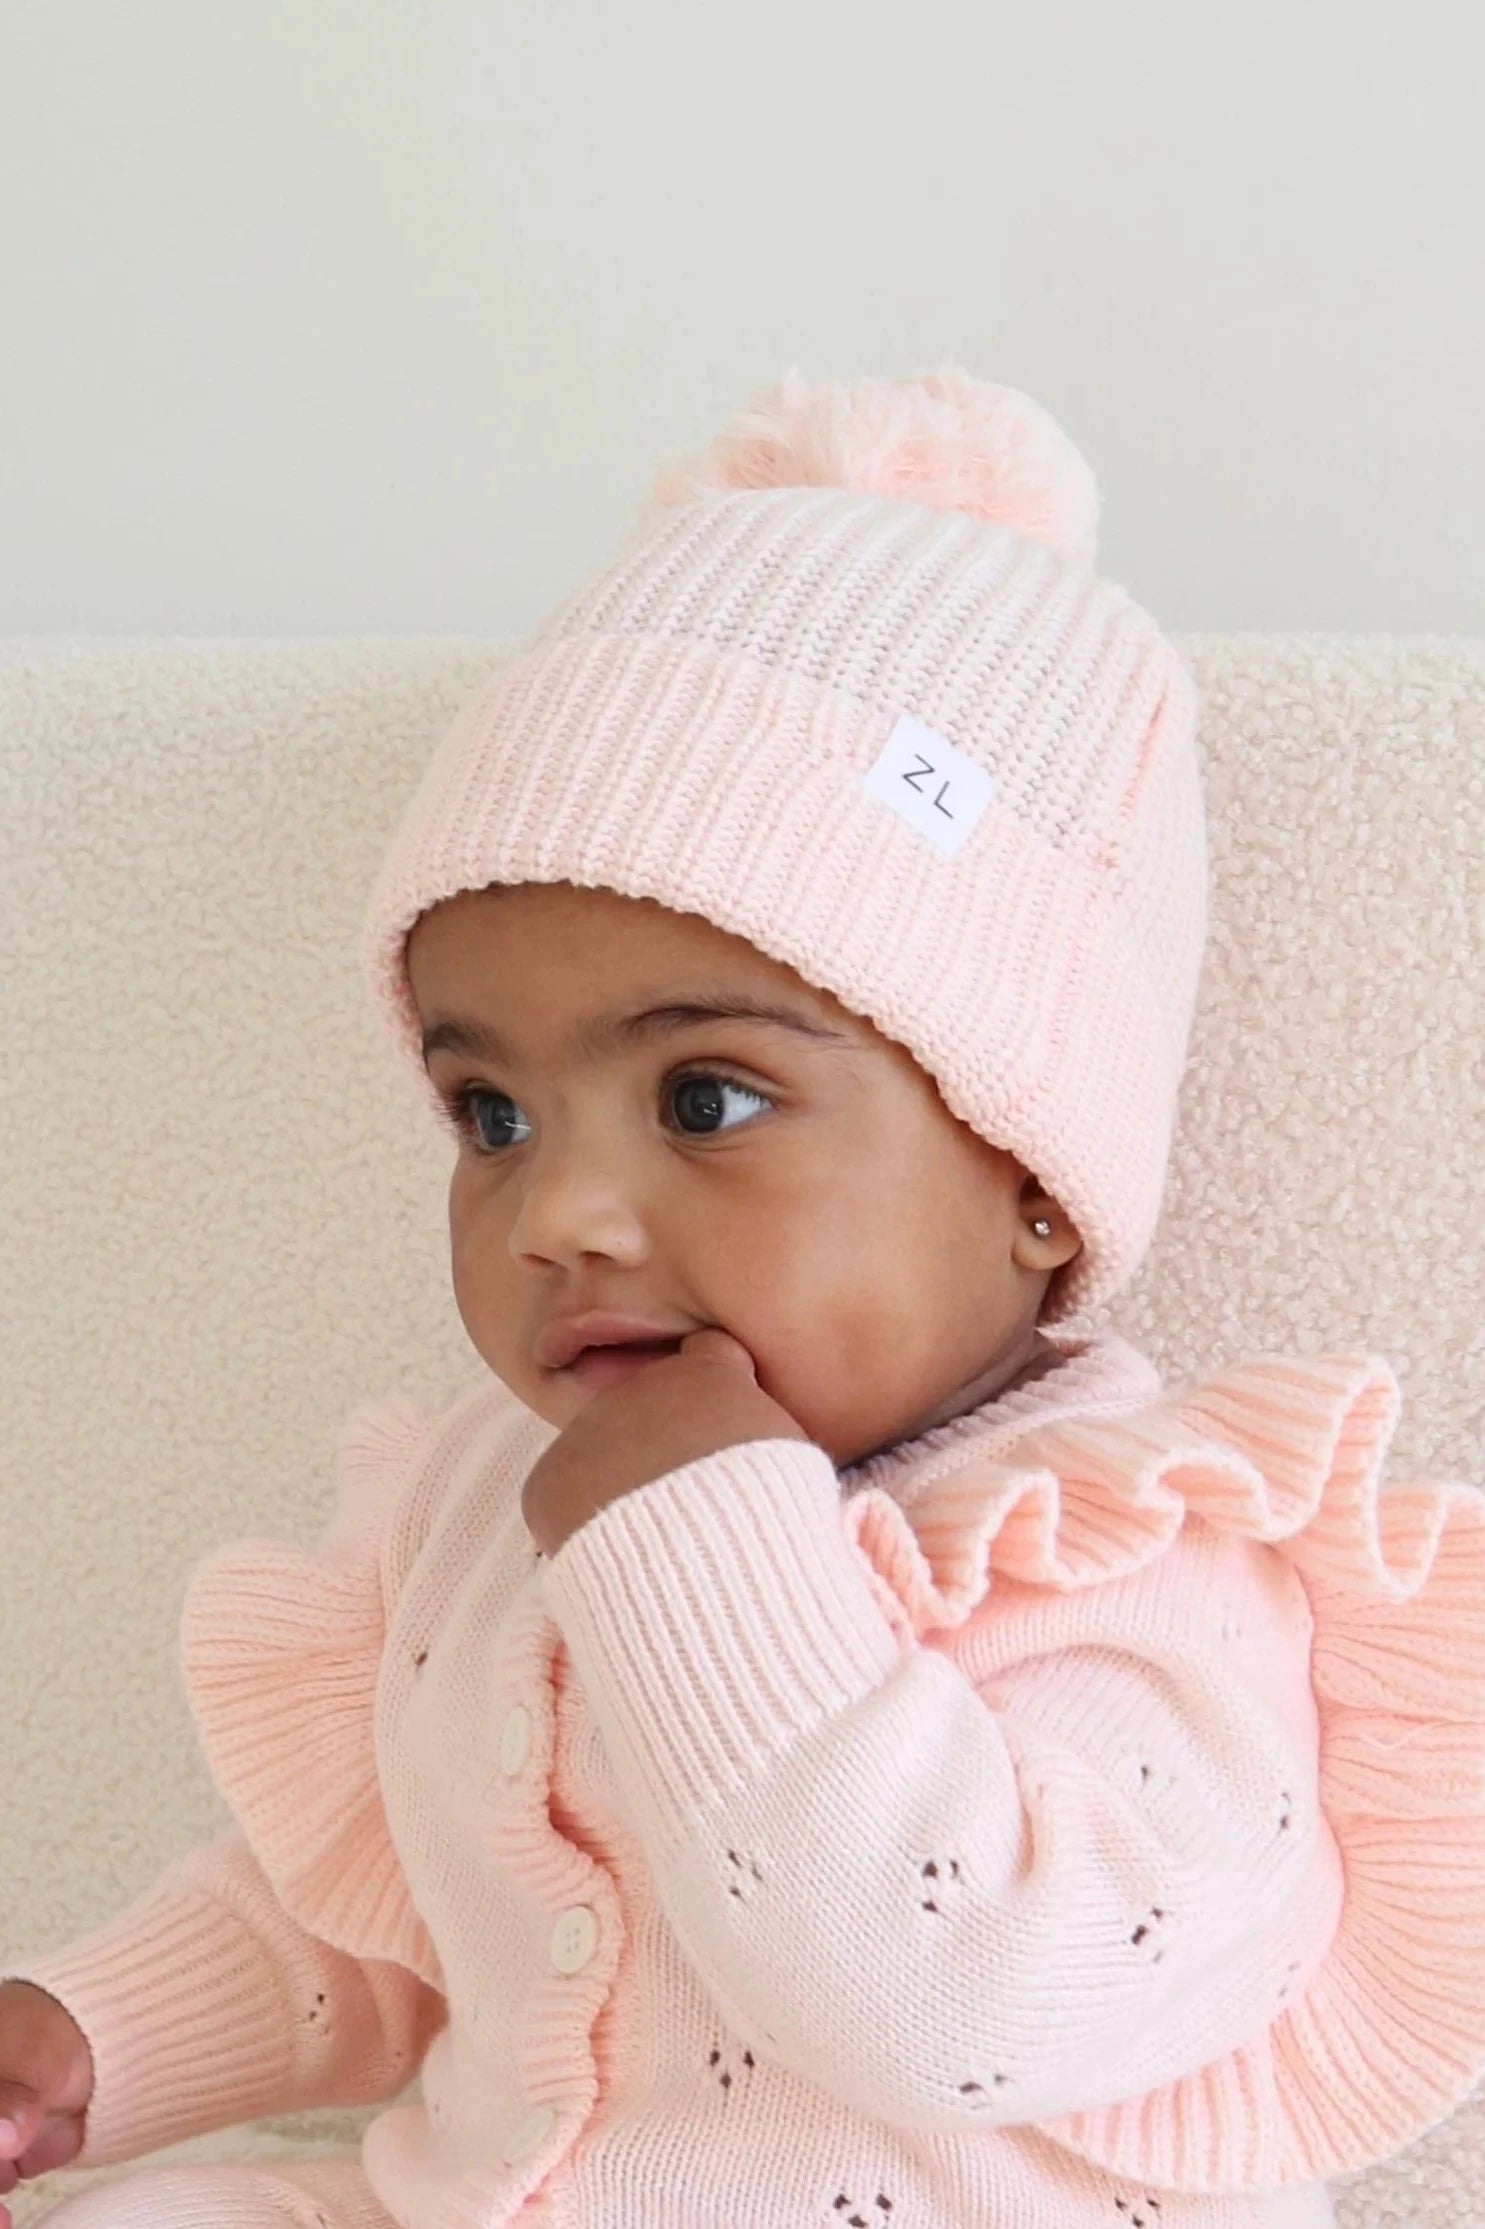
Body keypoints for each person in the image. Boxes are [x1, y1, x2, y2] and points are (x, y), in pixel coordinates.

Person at [4, 367, 1483, 2229]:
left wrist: (707, 1549)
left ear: (1029, 1171)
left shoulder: (1137, 1557)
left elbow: (978, 1996)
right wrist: (94, 2035)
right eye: (490, 1113)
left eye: (703, 1099)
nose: (560, 1210)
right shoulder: (488, 1502)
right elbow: (391, 1902)